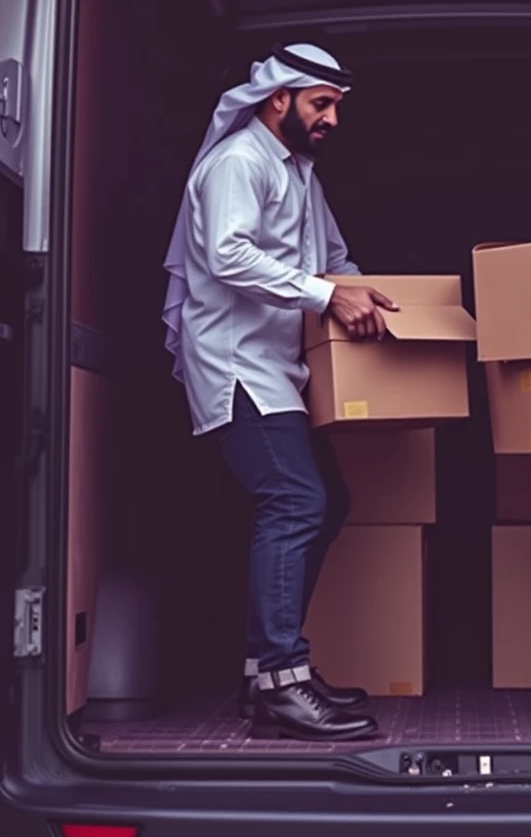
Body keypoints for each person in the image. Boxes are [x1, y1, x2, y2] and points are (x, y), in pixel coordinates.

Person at [161, 43, 398, 742]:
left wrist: (369, 299)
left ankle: (264, 672)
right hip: (238, 369)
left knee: (324, 504)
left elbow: (331, 260)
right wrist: (329, 297)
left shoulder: (299, 173)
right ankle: (281, 681)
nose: (330, 119)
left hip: (279, 372)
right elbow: (230, 255)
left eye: (336, 107)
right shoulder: (239, 162)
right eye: (320, 104)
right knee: (296, 502)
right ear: (278, 101)